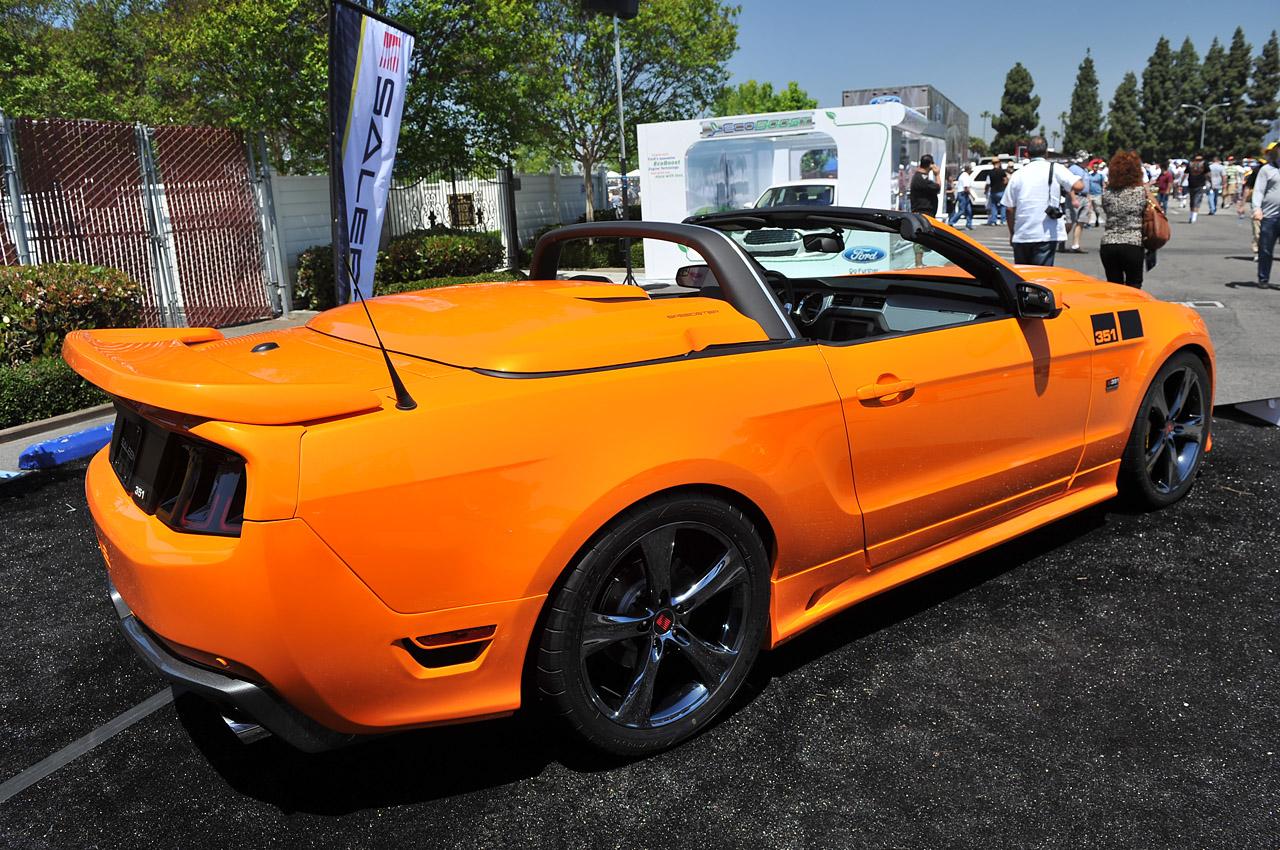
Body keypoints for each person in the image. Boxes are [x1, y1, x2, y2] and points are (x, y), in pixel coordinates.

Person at [1003, 136, 1084, 266]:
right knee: (1041, 279)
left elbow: (1009, 208)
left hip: (1022, 234)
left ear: (1027, 154)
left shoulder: (1017, 174)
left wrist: (1013, 233)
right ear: (1046, 153)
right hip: (1045, 234)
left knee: (1023, 279)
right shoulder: (1055, 168)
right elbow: (1079, 186)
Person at [1100, 150, 1150, 288]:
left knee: (1114, 286)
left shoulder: (1107, 193)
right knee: (1134, 285)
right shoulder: (1141, 192)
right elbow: (1151, 211)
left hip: (1108, 243)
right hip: (1132, 242)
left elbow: (1106, 210)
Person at [1252, 141, 1280, 288]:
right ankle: (1263, 278)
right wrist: (1257, 208)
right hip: (1270, 216)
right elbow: (1259, 190)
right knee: (1266, 248)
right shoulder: (1267, 170)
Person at [1064, 157, 1089, 252]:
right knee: (1070, 221)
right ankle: (1061, 242)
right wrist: (1073, 198)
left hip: (1084, 197)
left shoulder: (1085, 170)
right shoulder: (1073, 169)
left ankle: (1076, 245)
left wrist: (1089, 199)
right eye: (1085, 159)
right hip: (1075, 196)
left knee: (1081, 221)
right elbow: (1069, 185)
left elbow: (1087, 185)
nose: (1087, 161)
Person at [948, 162, 975, 229]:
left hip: (962, 194)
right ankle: (951, 222)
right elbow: (966, 188)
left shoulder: (963, 175)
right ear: (968, 169)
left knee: (969, 210)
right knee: (962, 210)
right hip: (963, 194)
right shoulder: (965, 176)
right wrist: (972, 196)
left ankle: (969, 224)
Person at [1186, 154, 1210, 223]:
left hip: (1191, 183)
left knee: (1192, 201)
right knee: (1197, 201)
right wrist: (1210, 181)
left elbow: (1185, 173)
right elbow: (1208, 174)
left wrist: (1181, 182)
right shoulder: (1204, 163)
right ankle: (1194, 217)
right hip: (1200, 184)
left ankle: (1191, 216)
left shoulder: (1190, 164)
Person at [985, 157, 1008, 226]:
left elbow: (988, 183)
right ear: (998, 163)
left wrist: (986, 191)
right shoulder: (1002, 171)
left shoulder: (990, 172)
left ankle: (993, 221)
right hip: (1001, 190)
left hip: (993, 191)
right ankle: (1003, 220)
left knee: (993, 206)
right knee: (1003, 206)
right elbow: (1005, 180)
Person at [1084, 160, 1107, 226]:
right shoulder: (1089, 175)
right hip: (1090, 194)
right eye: (1093, 167)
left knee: (1097, 209)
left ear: (1097, 168)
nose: (1095, 168)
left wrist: (1103, 192)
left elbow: (1103, 184)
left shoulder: (1100, 175)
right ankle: (1088, 223)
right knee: (1088, 208)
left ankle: (1097, 219)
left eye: (1096, 167)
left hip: (1098, 194)